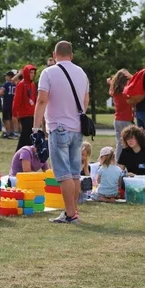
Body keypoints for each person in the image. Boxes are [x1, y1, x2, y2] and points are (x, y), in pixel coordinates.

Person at [34, 41, 89, 224]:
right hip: (77, 128)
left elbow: (42, 100)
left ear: (54, 54)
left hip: (58, 127)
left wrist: (36, 127)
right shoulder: (81, 73)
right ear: (71, 55)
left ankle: (70, 213)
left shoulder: (48, 72)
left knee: (63, 174)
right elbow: (85, 101)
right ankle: (73, 211)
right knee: (74, 173)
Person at [109, 69, 134, 162]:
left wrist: (111, 82)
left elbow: (111, 89)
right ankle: (126, 162)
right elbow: (135, 82)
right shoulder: (126, 92)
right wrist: (131, 76)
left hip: (117, 119)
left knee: (120, 143)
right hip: (126, 120)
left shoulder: (114, 92)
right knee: (130, 143)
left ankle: (118, 162)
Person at [12, 64, 38, 149]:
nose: (32, 75)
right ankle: (19, 153)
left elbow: (34, 98)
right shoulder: (21, 84)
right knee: (25, 135)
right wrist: (15, 113)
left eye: (33, 73)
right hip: (24, 114)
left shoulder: (32, 84)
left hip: (32, 113)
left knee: (29, 135)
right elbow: (17, 99)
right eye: (30, 72)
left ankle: (27, 154)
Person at [1, 71, 16, 138]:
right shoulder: (15, 84)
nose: (5, 77)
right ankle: (13, 132)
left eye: (6, 76)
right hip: (13, 103)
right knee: (12, 118)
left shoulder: (6, 84)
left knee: (6, 119)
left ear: (9, 76)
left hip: (7, 103)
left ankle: (8, 132)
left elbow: (1, 92)